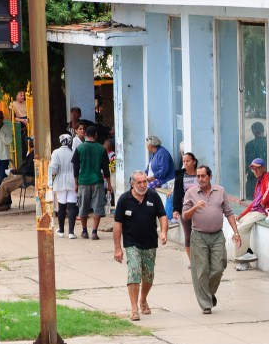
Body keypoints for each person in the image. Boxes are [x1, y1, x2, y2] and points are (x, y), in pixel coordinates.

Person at [182, 165, 242, 314]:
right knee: (201, 270)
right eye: (198, 176)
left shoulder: (220, 191)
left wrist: (236, 233)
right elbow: (185, 216)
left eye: (203, 176)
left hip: (217, 235)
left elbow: (228, 212)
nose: (200, 179)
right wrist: (195, 207)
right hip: (199, 236)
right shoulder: (191, 193)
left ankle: (207, 294)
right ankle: (205, 304)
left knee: (219, 267)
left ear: (210, 176)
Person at [113, 170, 168, 321]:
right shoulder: (124, 199)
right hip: (132, 243)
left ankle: (143, 299)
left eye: (145, 182)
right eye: (139, 182)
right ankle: (134, 308)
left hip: (150, 243)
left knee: (148, 277)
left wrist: (163, 232)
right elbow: (117, 225)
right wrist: (118, 248)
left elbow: (162, 216)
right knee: (134, 272)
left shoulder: (153, 196)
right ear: (132, 183)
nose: (143, 185)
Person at [72, 128, 112, 239]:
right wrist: (109, 184)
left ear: (85, 134)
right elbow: (106, 168)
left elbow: (75, 167)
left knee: (83, 206)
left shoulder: (80, 148)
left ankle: (84, 231)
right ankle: (94, 232)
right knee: (97, 207)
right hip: (97, 181)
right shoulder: (101, 149)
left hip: (83, 182)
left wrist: (76, 183)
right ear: (96, 134)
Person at [235, 158, 269, 271]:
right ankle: (247, 252)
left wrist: (263, 202)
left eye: (257, 168)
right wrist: (241, 214)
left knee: (240, 230)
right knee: (236, 226)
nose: (255, 171)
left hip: (263, 212)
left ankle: (242, 260)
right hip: (255, 211)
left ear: (263, 168)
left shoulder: (267, 177)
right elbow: (254, 203)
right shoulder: (258, 182)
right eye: (253, 169)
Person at [167, 151, 199, 262]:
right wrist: (176, 210)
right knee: (188, 234)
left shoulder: (200, 174)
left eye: (188, 161)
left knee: (201, 234)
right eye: (184, 161)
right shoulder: (180, 175)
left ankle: (202, 259)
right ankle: (192, 261)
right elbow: (177, 193)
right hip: (185, 208)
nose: (185, 163)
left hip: (200, 208)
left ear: (194, 162)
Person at [49, 134, 78, 238]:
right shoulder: (74, 151)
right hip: (73, 181)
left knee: (61, 206)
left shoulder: (56, 152)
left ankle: (61, 230)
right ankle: (71, 232)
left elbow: (54, 169)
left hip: (60, 181)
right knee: (72, 206)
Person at [244, 122, 267, 199]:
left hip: (253, 179)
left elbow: (247, 163)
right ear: (263, 130)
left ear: (253, 131)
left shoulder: (250, 145)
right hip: (266, 176)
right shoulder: (268, 143)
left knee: (251, 199)